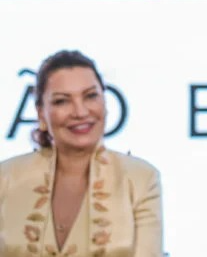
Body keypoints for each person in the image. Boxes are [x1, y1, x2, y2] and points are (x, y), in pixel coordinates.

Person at [0, 50, 163, 256]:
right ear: (41, 112)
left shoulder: (141, 178)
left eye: (91, 96)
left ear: (105, 101)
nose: (80, 112)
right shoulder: (5, 177)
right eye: (62, 101)